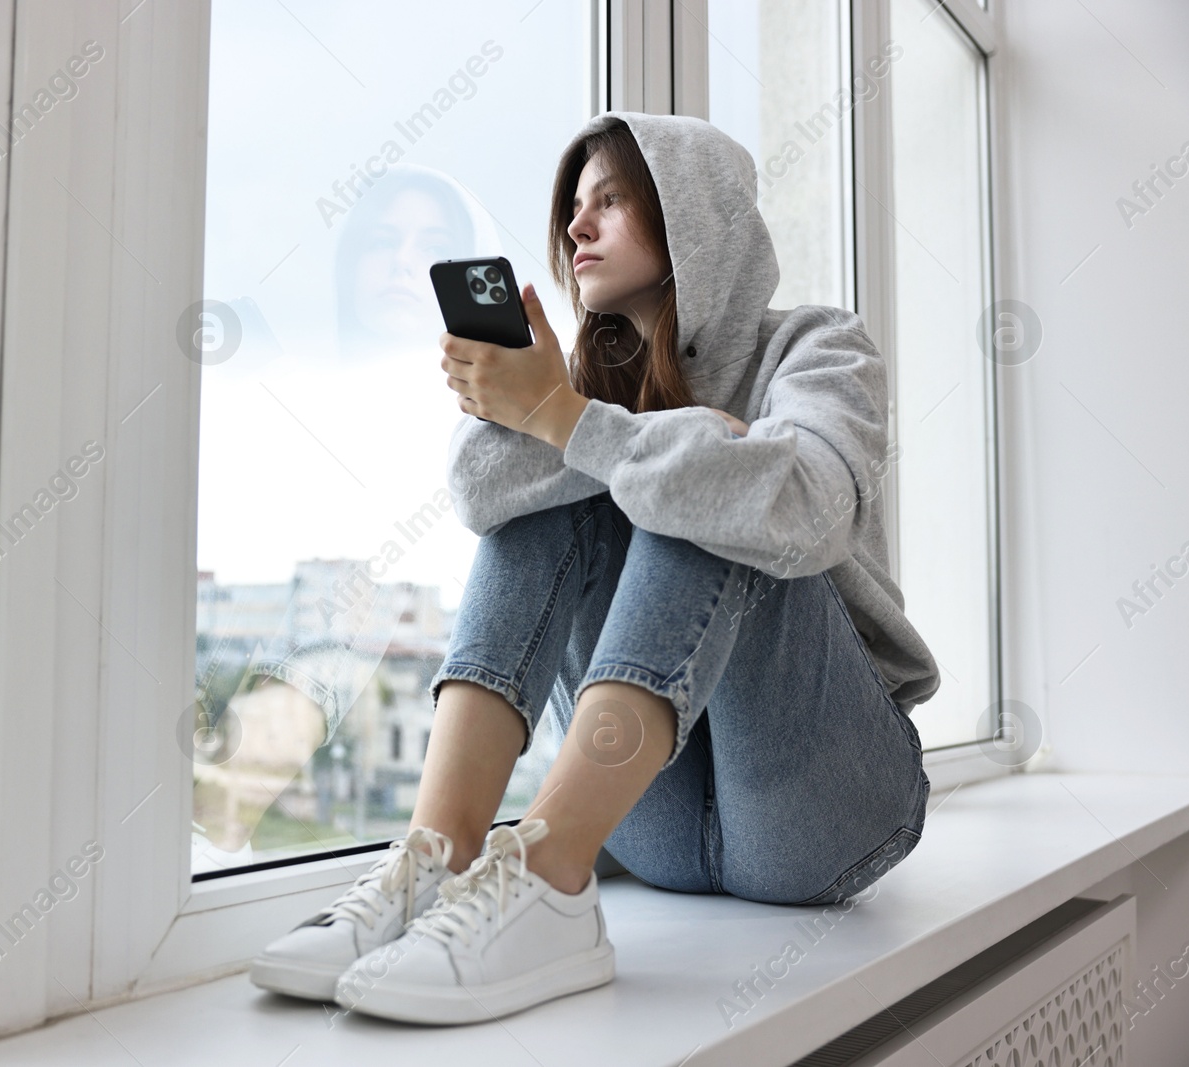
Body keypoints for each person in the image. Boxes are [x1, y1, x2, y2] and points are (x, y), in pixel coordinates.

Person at [250, 111, 939, 1026]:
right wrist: (557, 411)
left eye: (609, 199)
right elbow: (481, 495)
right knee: (580, 491)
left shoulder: (818, 344)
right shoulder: (584, 380)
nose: (576, 227)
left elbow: (810, 507)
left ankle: (547, 878)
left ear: (696, 215)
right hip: (653, 827)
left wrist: (592, 429)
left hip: (830, 806)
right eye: (573, 207)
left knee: (709, 496)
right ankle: (438, 861)